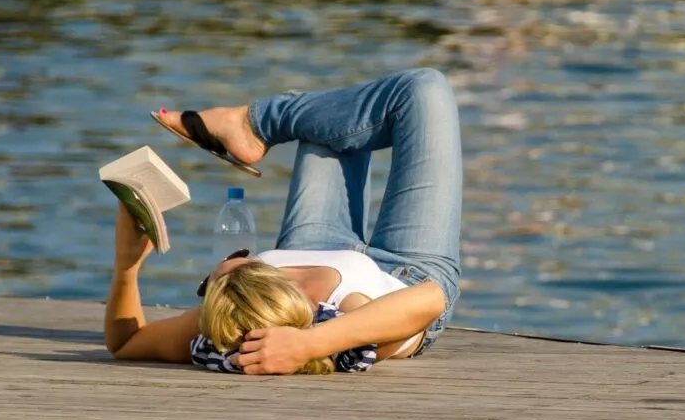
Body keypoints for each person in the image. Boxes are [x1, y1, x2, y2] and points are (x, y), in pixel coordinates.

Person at [104, 68, 462, 375]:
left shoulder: (223, 320)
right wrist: (309, 344)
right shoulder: (342, 321)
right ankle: (256, 123)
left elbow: (127, 342)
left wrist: (126, 267)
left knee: (329, 119)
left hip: (310, 244)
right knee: (424, 90)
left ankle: (250, 127)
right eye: (214, 278)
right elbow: (429, 300)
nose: (213, 277)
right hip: (408, 270)